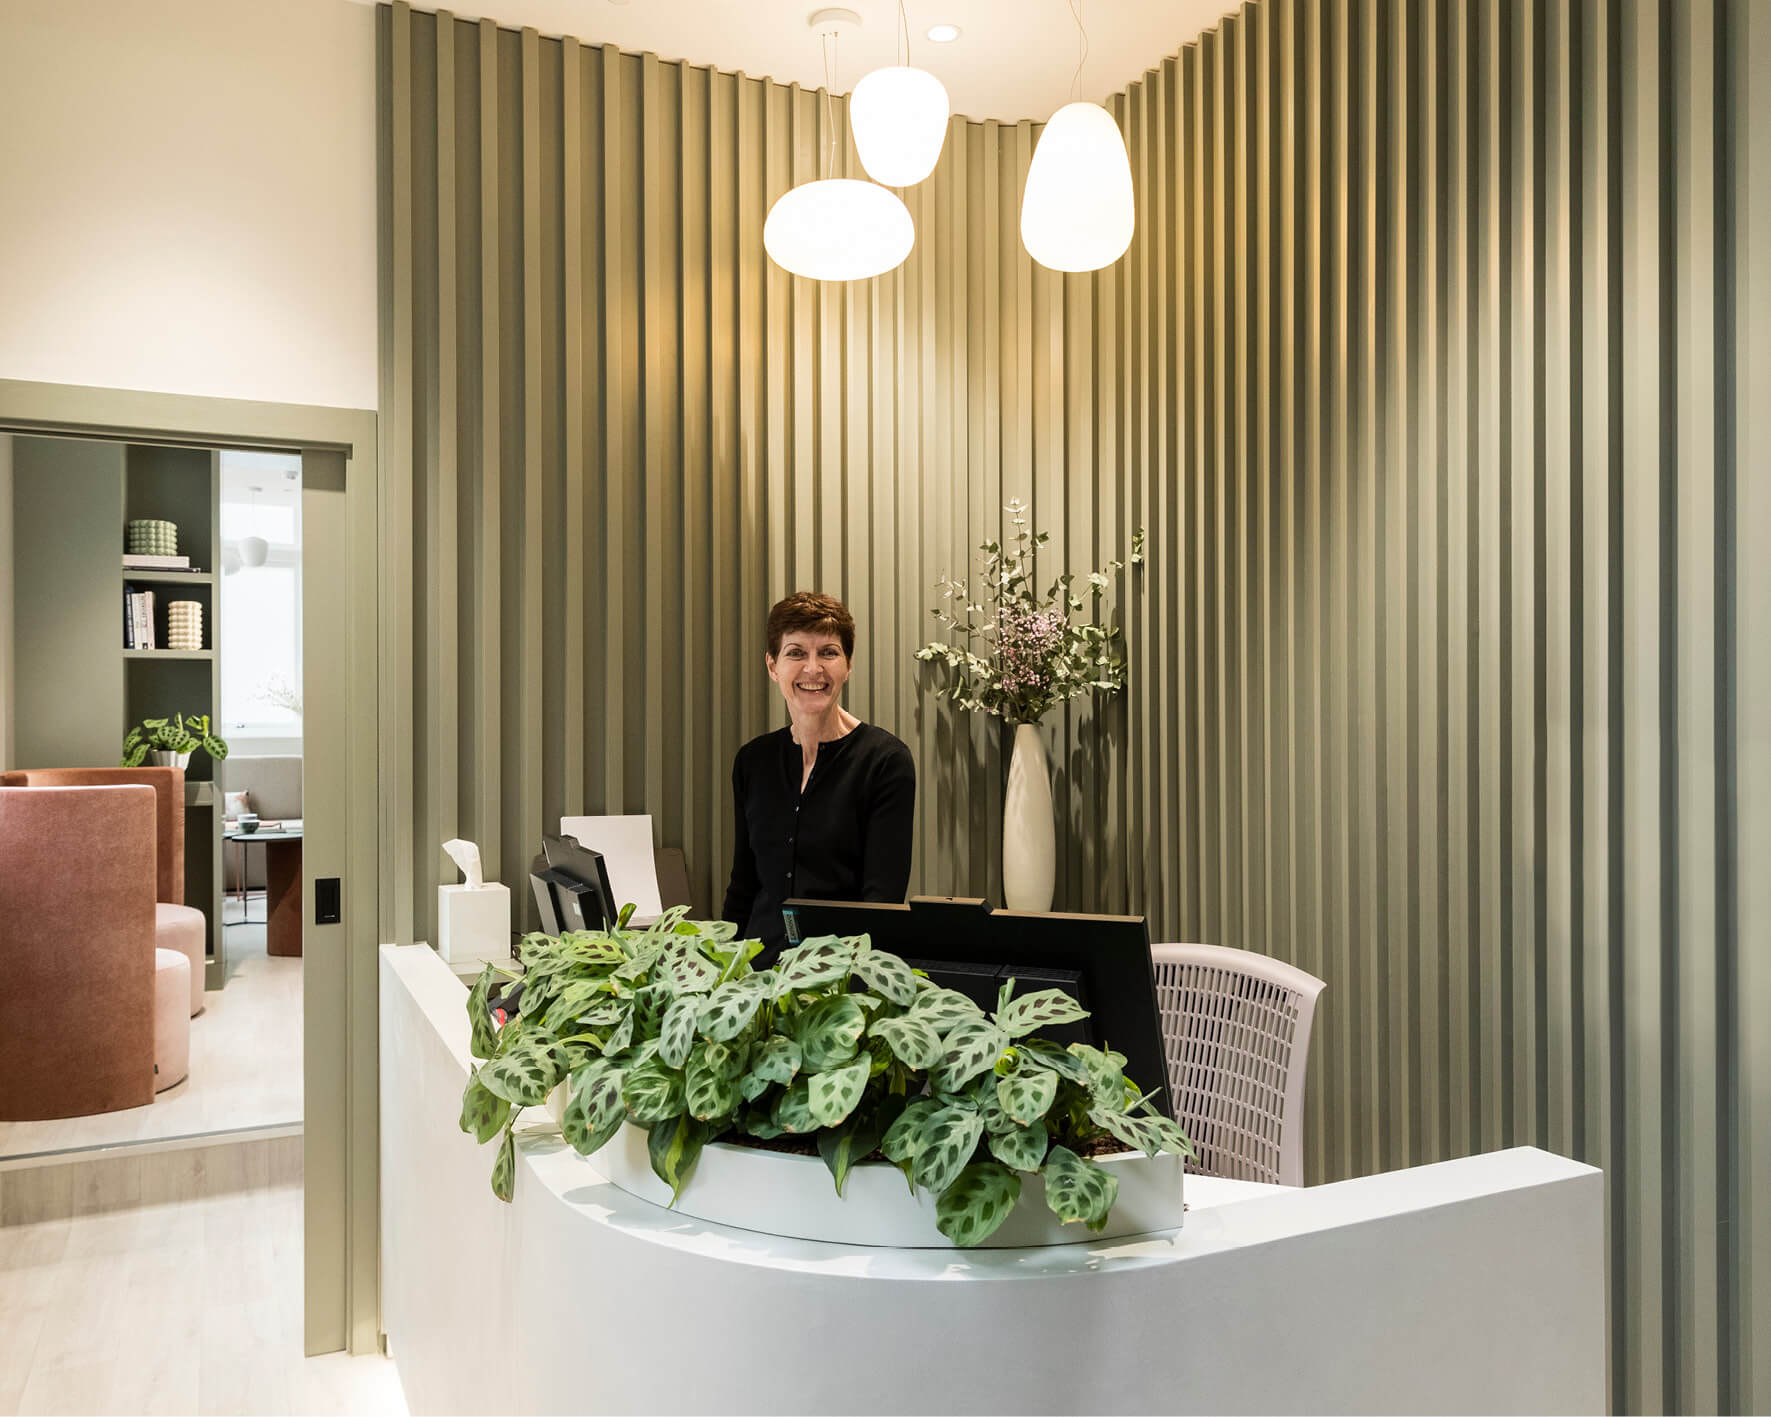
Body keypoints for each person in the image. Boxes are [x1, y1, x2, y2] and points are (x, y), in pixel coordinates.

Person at [722, 591, 915, 954]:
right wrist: (720, 970)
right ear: (772, 666)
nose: (813, 669)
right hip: (754, 972)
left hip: (839, 977)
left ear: (848, 664)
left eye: (828, 652)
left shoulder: (886, 761)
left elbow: (881, 900)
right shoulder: (753, 760)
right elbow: (743, 886)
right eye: (796, 653)